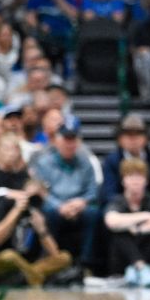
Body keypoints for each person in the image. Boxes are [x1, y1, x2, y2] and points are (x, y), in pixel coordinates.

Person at [0, 134, 70, 286]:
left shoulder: (32, 204)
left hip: (24, 263)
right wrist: (16, 210)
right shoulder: (3, 202)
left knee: (65, 257)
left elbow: (54, 253)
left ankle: (28, 275)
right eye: (7, 149)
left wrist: (42, 230)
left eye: (15, 150)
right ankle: (33, 276)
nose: (11, 153)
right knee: (9, 256)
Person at [30, 115, 100, 271]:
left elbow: (92, 190)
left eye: (73, 139)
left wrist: (81, 202)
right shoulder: (44, 162)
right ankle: (51, 261)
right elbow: (41, 191)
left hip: (78, 205)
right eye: (66, 139)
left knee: (94, 213)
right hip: (54, 205)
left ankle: (86, 264)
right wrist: (60, 206)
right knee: (48, 212)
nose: (70, 144)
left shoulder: (85, 161)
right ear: (57, 140)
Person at [103, 158, 150, 287]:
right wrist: (145, 215)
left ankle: (138, 268)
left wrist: (139, 229)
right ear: (123, 180)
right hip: (123, 258)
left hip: (149, 252)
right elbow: (111, 221)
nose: (135, 181)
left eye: (139, 177)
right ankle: (141, 267)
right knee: (120, 233)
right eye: (131, 176)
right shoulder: (118, 201)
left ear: (146, 180)